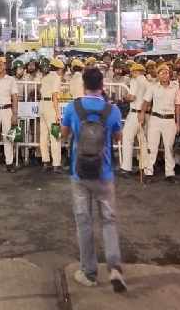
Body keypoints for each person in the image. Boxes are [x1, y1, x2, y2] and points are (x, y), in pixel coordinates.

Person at [59, 67, 127, 293]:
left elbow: (64, 134)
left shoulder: (73, 107)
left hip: (79, 174)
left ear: (83, 84)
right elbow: (118, 137)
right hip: (104, 174)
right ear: (103, 85)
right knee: (108, 220)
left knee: (84, 223)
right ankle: (115, 268)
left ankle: (88, 272)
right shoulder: (112, 110)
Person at [142, 64, 180, 183]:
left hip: (169, 120)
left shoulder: (175, 88)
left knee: (169, 147)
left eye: (167, 72)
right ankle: (148, 172)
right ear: (158, 75)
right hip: (155, 119)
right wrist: (141, 113)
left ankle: (170, 173)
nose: (165, 75)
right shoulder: (153, 87)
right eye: (162, 72)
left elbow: (178, 106)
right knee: (152, 147)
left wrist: (178, 122)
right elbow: (146, 101)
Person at [119, 63, 148, 177]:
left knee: (127, 138)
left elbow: (132, 97)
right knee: (143, 141)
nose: (131, 73)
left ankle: (126, 168)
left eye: (132, 72)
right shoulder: (147, 82)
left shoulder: (135, 81)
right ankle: (145, 167)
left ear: (136, 72)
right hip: (144, 113)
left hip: (135, 113)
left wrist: (124, 98)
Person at [39, 58, 65, 172]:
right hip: (50, 106)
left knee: (43, 135)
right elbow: (55, 95)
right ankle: (56, 164)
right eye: (61, 69)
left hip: (42, 106)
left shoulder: (45, 77)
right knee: (55, 135)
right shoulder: (56, 78)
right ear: (58, 69)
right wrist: (57, 113)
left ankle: (45, 161)